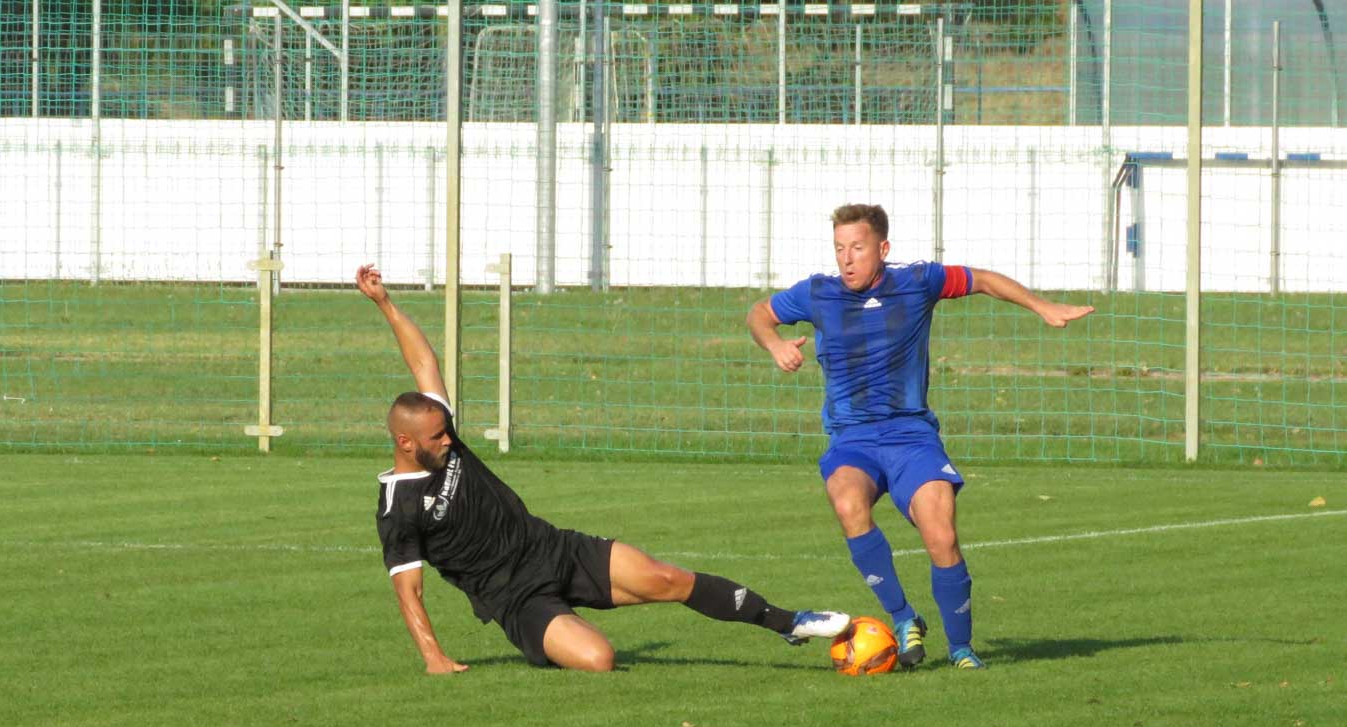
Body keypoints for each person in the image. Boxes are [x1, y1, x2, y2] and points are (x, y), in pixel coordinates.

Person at [359, 264, 849, 674]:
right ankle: (558, 626)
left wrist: (385, 304)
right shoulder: (398, 507)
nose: (449, 439)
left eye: (445, 430)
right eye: (437, 437)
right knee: (599, 658)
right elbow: (409, 591)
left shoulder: (438, 430)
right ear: (406, 443)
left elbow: (423, 362)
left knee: (667, 578)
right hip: (517, 599)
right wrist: (434, 657)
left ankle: (788, 622)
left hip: (553, 547)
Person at [746, 204, 1094, 670]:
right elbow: (759, 313)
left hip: (911, 437)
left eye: (858, 248)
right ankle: (903, 616)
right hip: (853, 439)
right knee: (848, 504)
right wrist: (774, 343)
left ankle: (961, 649)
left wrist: (1042, 306)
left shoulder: (917, 281)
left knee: (941, 533)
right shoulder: (817, 293)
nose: (846, 259)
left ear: (883, 248)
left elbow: (982, 279)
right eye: (840, 248)